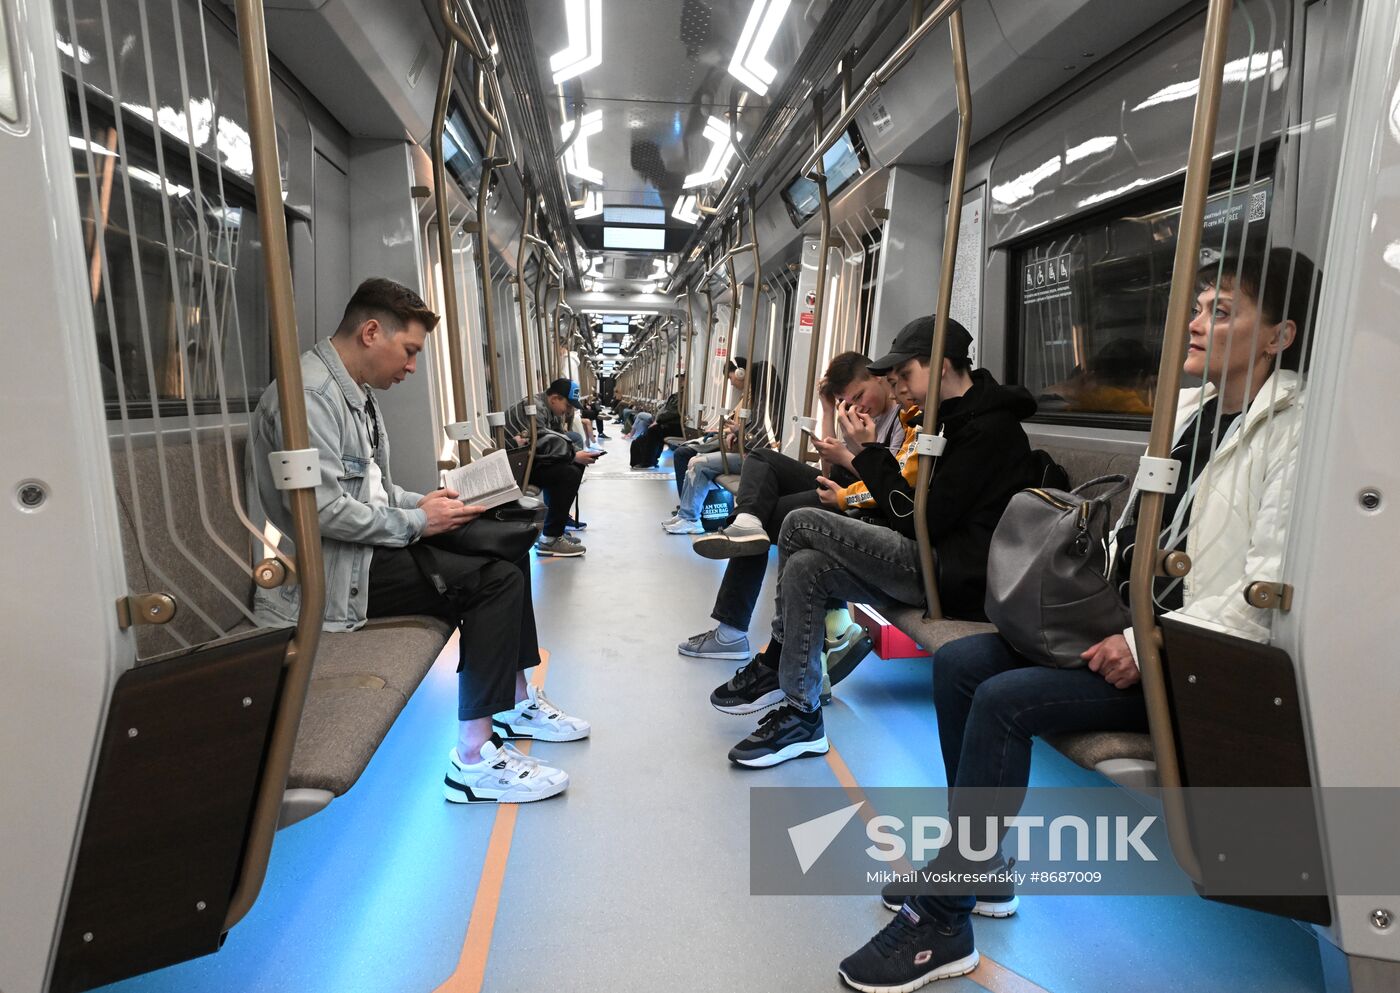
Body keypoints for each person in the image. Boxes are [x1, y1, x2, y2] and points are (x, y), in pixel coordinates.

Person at [837, 249, 1318, 991]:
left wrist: (1141, 640)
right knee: (964, 664)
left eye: (1221, 310)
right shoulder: (1189, 415)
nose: (1193, 322)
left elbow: (1265, 589)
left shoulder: (1292, 430)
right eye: (1197, 305)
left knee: (1003, 699)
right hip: (1122, 626)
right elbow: (1132, 539)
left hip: (1192, 658)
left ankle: (943, 920)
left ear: (1280, 335)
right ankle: (980, 864)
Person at [246, 278, 589, 804]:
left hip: (366, 551)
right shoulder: (312, 397)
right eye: (408, 352)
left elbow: (375, 491)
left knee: (506, 548)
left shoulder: (356, 395)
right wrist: (418, 523)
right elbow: (323, 514)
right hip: (337, 576)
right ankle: (471, 762)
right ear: (370, 332)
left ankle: (517, 699)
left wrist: (431, 502)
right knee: (492, 583)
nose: (410, 367)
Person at [708, 315, 1041, 771]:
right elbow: (909, 507)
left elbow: (918, 519)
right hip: (929, 555)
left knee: (801, 522)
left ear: (941, 366)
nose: (901, 387)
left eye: (906, 375)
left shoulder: (984, 431)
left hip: (949, 573)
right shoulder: (944, 422)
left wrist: (865, 455)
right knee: (806, 566)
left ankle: (776, 657)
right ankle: (803, 718)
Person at [677, 351, 905, 662]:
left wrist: (848, 457)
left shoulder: (901, 420)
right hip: (842, 487)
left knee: (766, 520)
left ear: (878, 377)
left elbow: (888, 488)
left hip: (861, 503)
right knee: (761, 460)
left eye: (860, 395)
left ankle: (731, 632)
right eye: (849, 402)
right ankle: (746, 519)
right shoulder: (863, 416)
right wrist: (828, 410)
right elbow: (828, 473)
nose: (858, 405)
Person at [662, 362, 780, 532]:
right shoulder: (759, 404)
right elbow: (753, 433)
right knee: (695, 460)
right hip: (747, 453)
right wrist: (738, 431)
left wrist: (739, 432)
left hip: (755, 458)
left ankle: (691, 519)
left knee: (699, 464)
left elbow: (762, 439)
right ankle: (686, 514)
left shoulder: (770, 408)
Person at [502, 377, 600, 556]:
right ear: (554, 398)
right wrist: (573, 455)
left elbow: (559, 436)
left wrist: (575, 453)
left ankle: (555, 529)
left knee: (574, 467)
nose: (568, 411)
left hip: (526, 460)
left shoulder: (549, 408)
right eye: (567, 406)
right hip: (514, 465)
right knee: (568, 472)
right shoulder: (534, 408)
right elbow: (539, 440)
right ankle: (550, 538)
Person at [631, 375, 686, 468]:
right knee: (651, 431)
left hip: (678, 426)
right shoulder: (678, 394)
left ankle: (648, 462)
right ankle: (651, 460)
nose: (680, 381)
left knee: (654, 430)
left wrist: (659, 420)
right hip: (670, 422)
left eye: (683, 379)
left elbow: (675, 412)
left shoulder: (685, 395)